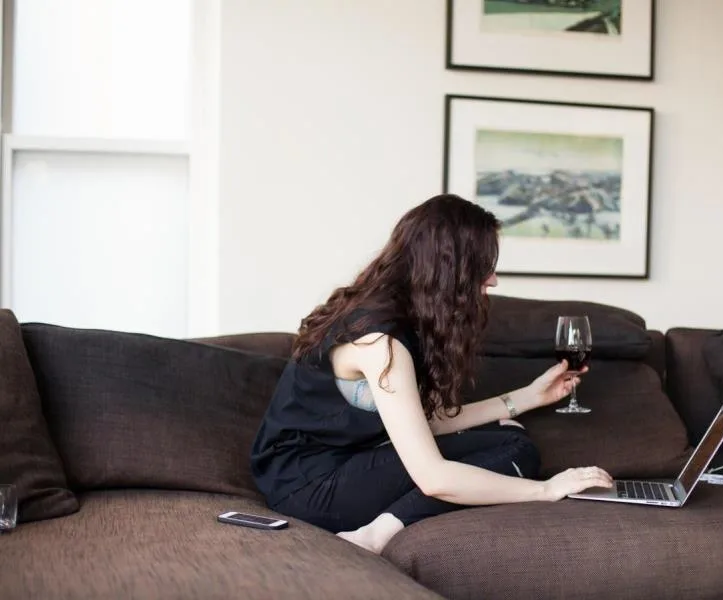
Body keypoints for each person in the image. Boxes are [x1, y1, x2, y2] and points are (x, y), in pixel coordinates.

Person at [249, 194, 612, 554]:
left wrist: (527, 398)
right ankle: (376, 534)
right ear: (450, 269)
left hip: (341, 465)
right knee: (513, 452)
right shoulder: (378, 340)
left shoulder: (407, 321)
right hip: (308, 486)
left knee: (513, 439)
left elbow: (430, 422)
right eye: (484, 265)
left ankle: (381, 527)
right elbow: (433, 477)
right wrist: (547, 490)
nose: (494, 280)